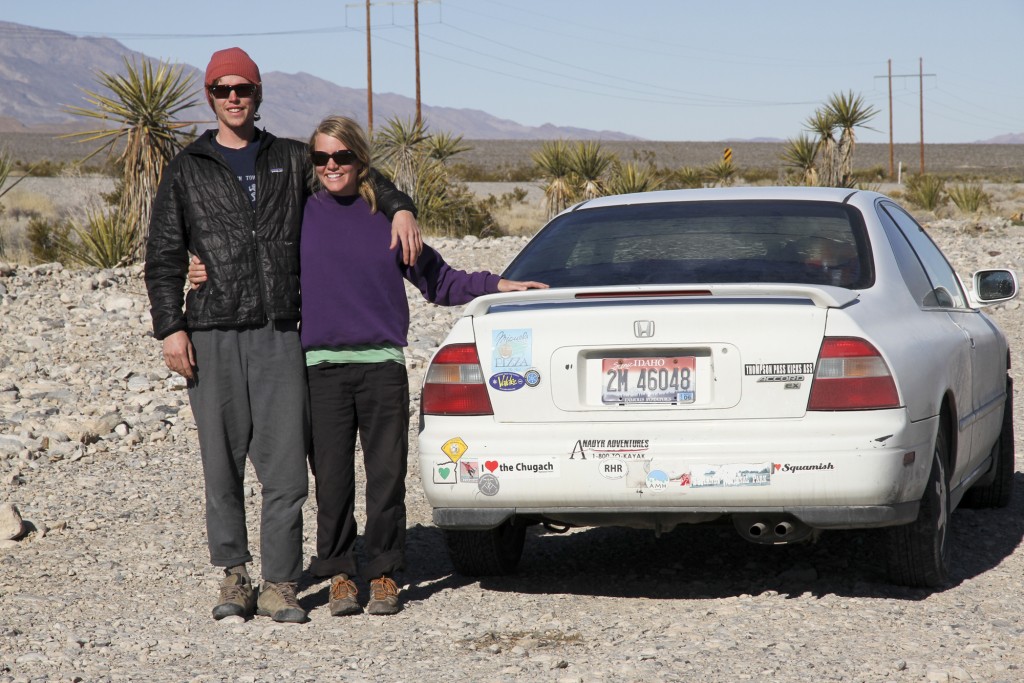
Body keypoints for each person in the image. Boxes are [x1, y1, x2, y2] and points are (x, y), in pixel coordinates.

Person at [190, 115, 546, 616]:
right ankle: (338, 574)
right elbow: (252, 250)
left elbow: (439, 281)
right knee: (331, 482)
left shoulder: (386, 216)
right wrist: (202, 266)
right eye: (321, 158)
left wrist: (498, 285)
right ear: (312, 164)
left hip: (381, 367)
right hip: (320, 371)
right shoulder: (299, 212)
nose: (332, 166)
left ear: (361, 160)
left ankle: (382, 574)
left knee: (385, 479)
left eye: (343, 157)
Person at [144, 48, 423, 624]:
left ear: (259, 93)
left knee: (287, 469)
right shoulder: (188, 167)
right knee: (221, 463)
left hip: (279, 332)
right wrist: (171, 326)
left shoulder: (292, 159)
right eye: (222, 90)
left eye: (243, 88)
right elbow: (164, 254)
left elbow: (355, 169)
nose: (233, 98)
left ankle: (280, 583)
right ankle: (234, 574)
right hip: (212, 329)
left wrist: (400, 208)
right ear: (210, 97)